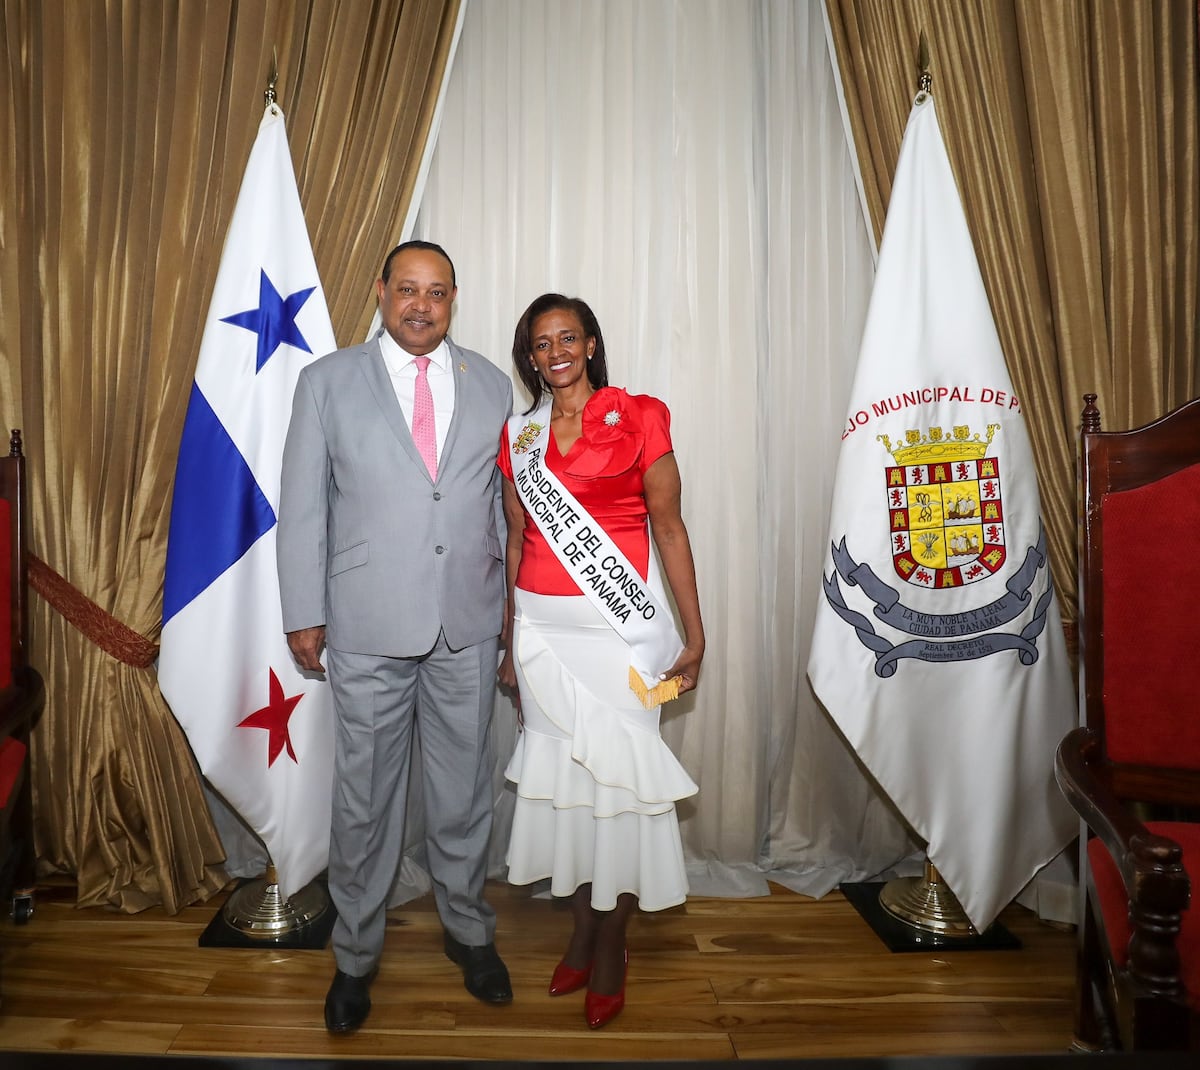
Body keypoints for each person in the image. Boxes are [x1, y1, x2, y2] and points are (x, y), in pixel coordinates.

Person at [277, 240, 515, 1033]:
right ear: (381, 291)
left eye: (437, 292)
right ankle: (354, 956)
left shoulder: (492, 385)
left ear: (453, 301)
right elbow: (303, 506)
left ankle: (469, 933)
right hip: (365, 621)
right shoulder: (326, 382)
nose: (422, 304)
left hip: (467, 622)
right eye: (408, 288)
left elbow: (502, 510)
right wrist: (303, 610)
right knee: (365, 799)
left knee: (464, 792)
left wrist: (510, 615)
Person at [496, 293, 704, 1029]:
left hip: (624, 634)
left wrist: (694, 635)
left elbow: (670, 528)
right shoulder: (519, 435)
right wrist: (509, 641)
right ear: (530, 357)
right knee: (567, 788)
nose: (555, 352)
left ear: (590, 344)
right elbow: (517, 540)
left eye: (568, 338)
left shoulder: (641, 415)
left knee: (622, 787)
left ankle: (612, 942)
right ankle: (582, 930)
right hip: (542, 635)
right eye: (541, 343)